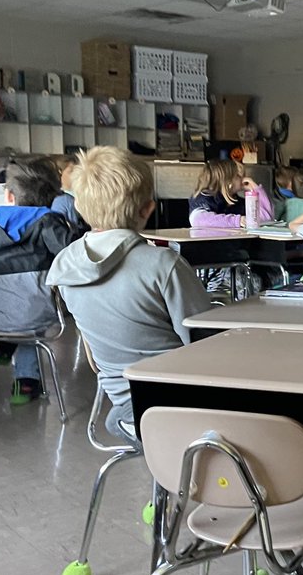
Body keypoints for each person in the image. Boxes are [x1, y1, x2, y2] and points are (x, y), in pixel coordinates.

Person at [47, 147, 212, 441]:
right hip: (182, 396)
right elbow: (205, 342)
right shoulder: (163, 264)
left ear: (81, 207)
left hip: (124, 397)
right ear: (147, 210)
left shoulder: (64, 264)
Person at [0, 159, 77, 404]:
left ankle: (5, 344)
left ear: (8, 195)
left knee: (10, 299)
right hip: (32, 315)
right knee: (31, 310)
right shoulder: (49, 220)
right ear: (54, 197)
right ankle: (26, 383)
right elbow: (73, 256)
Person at [188, 158, 271, 229]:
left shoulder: (238, 202)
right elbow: (198, 220)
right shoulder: (205, 198)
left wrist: (256, 190)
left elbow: (266, 218)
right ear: (228, 181)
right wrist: (237, 221)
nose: (244, 178)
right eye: (239, 175)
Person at [50, 154, 84, 230]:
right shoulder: (61, 200)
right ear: (60, 172)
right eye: (71, 171)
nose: (76, 175)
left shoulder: (82, 194)